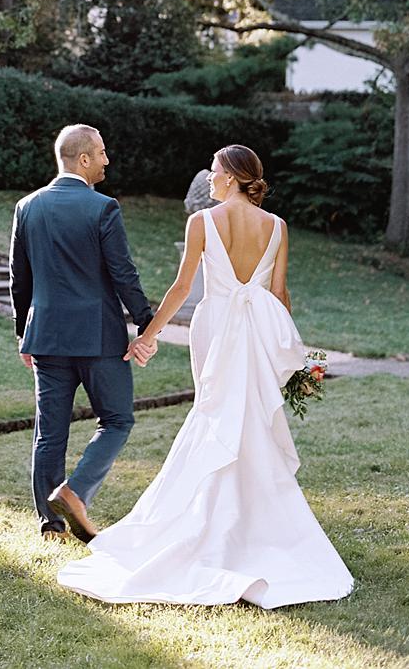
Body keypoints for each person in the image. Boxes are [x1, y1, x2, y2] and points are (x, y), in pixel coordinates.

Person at [57, 144, 354, 608]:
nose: (209, 178)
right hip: (258, 331)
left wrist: (147, 335)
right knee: (249, 419)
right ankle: (251, 526)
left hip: (216, 328)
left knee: (216, 416)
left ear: (233, 177)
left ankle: (215, 527)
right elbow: (278, 294)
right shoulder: (277, 226)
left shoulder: (203, 222)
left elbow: (181, 288)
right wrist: (292, 355)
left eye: (214, 171)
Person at [9, 123, 157, 543]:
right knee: (117, 420)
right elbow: (123, 274)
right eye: (103, 153)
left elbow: (19, 279)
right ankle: (74, 493)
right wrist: (147, 324)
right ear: (84, 159)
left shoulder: (27, 207)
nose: (108, 161)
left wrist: (24, 332)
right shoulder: (103, 208)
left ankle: (50, 523)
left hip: (48, 338)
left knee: (49, 431)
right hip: (98, 339)